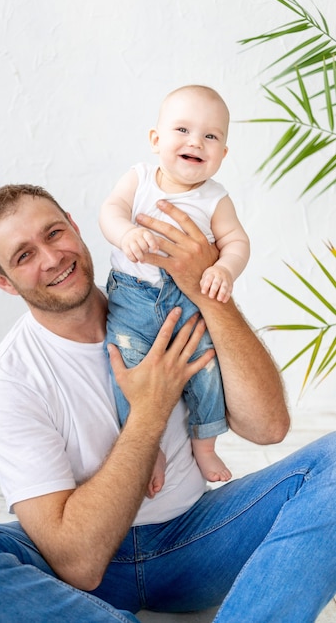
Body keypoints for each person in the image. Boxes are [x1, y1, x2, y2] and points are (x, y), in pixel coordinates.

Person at [0, 184, 336, 623]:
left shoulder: (161, 305)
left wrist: (205, 291)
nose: (52, 258)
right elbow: (78, 563)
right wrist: (149, 411)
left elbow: (267, 427)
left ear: (77, 229)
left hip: (197, 537)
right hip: (84, 571)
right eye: (24, 256)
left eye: (54, 233)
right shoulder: (7, 378)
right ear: (2, 281)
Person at [100, 85, 250, 490]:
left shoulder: (215, 199)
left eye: (211, 136)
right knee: (124, 366)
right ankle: (149, 447)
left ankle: (205, 442)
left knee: (204, 366)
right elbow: (110, 210)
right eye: (182, 129)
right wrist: (125, 232)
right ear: (156, 140)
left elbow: (237, 241)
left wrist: (225, 269)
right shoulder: (140, 178)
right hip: (133, 294)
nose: (195, 142)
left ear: (222, 154)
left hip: (187, 301)